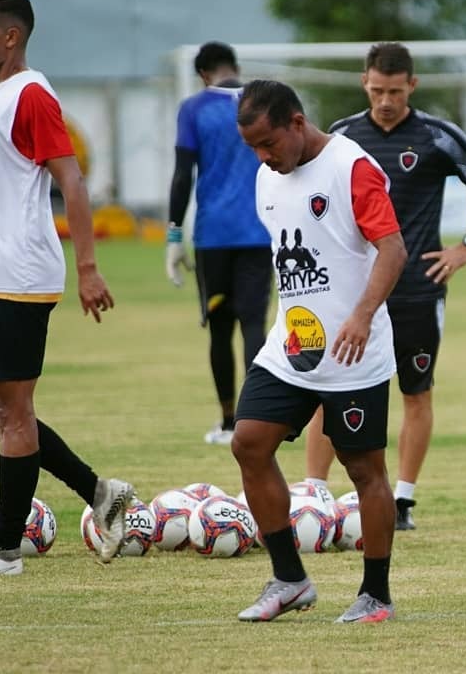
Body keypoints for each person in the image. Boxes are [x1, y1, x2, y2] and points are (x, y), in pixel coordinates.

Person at [0, 0, 134, 576]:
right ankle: (101, 492)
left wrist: (90, 269)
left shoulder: (31, 95)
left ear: (10, 36)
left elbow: (71, 182)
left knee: (11, 408)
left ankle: (5, 552)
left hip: (21, 272)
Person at [304, 42, 466, 530]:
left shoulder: (436, 136)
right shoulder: (344, 137)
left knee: (416, 393)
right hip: (353, 294)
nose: (386, 100)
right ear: (364, 84)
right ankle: (312, 498)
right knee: (328, 389)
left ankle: (403, 502)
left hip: (417, 290)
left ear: (412, 86)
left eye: (395, 91)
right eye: (377, 90)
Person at [230, 80, 407, 623]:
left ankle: (375, 595)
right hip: (293, 347)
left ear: (296, 122)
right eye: (253, 148)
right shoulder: (266, 177)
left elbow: (392, 249)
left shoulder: (350, 168)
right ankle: (290, 579)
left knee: (364, 470)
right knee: (248, 443)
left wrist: (360, 316)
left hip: (356, 354)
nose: (263, 157)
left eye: (268, 143)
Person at [166, 41, 273, 445]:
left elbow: (182, 175)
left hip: (213, 237)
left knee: (219, 330)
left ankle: (229, 422)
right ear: (236, 67)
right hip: (262, 231)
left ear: (202, 75)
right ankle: (258, 421)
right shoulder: (263, 103)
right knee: (254, 326)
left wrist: (174, 234)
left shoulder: (194, 109)